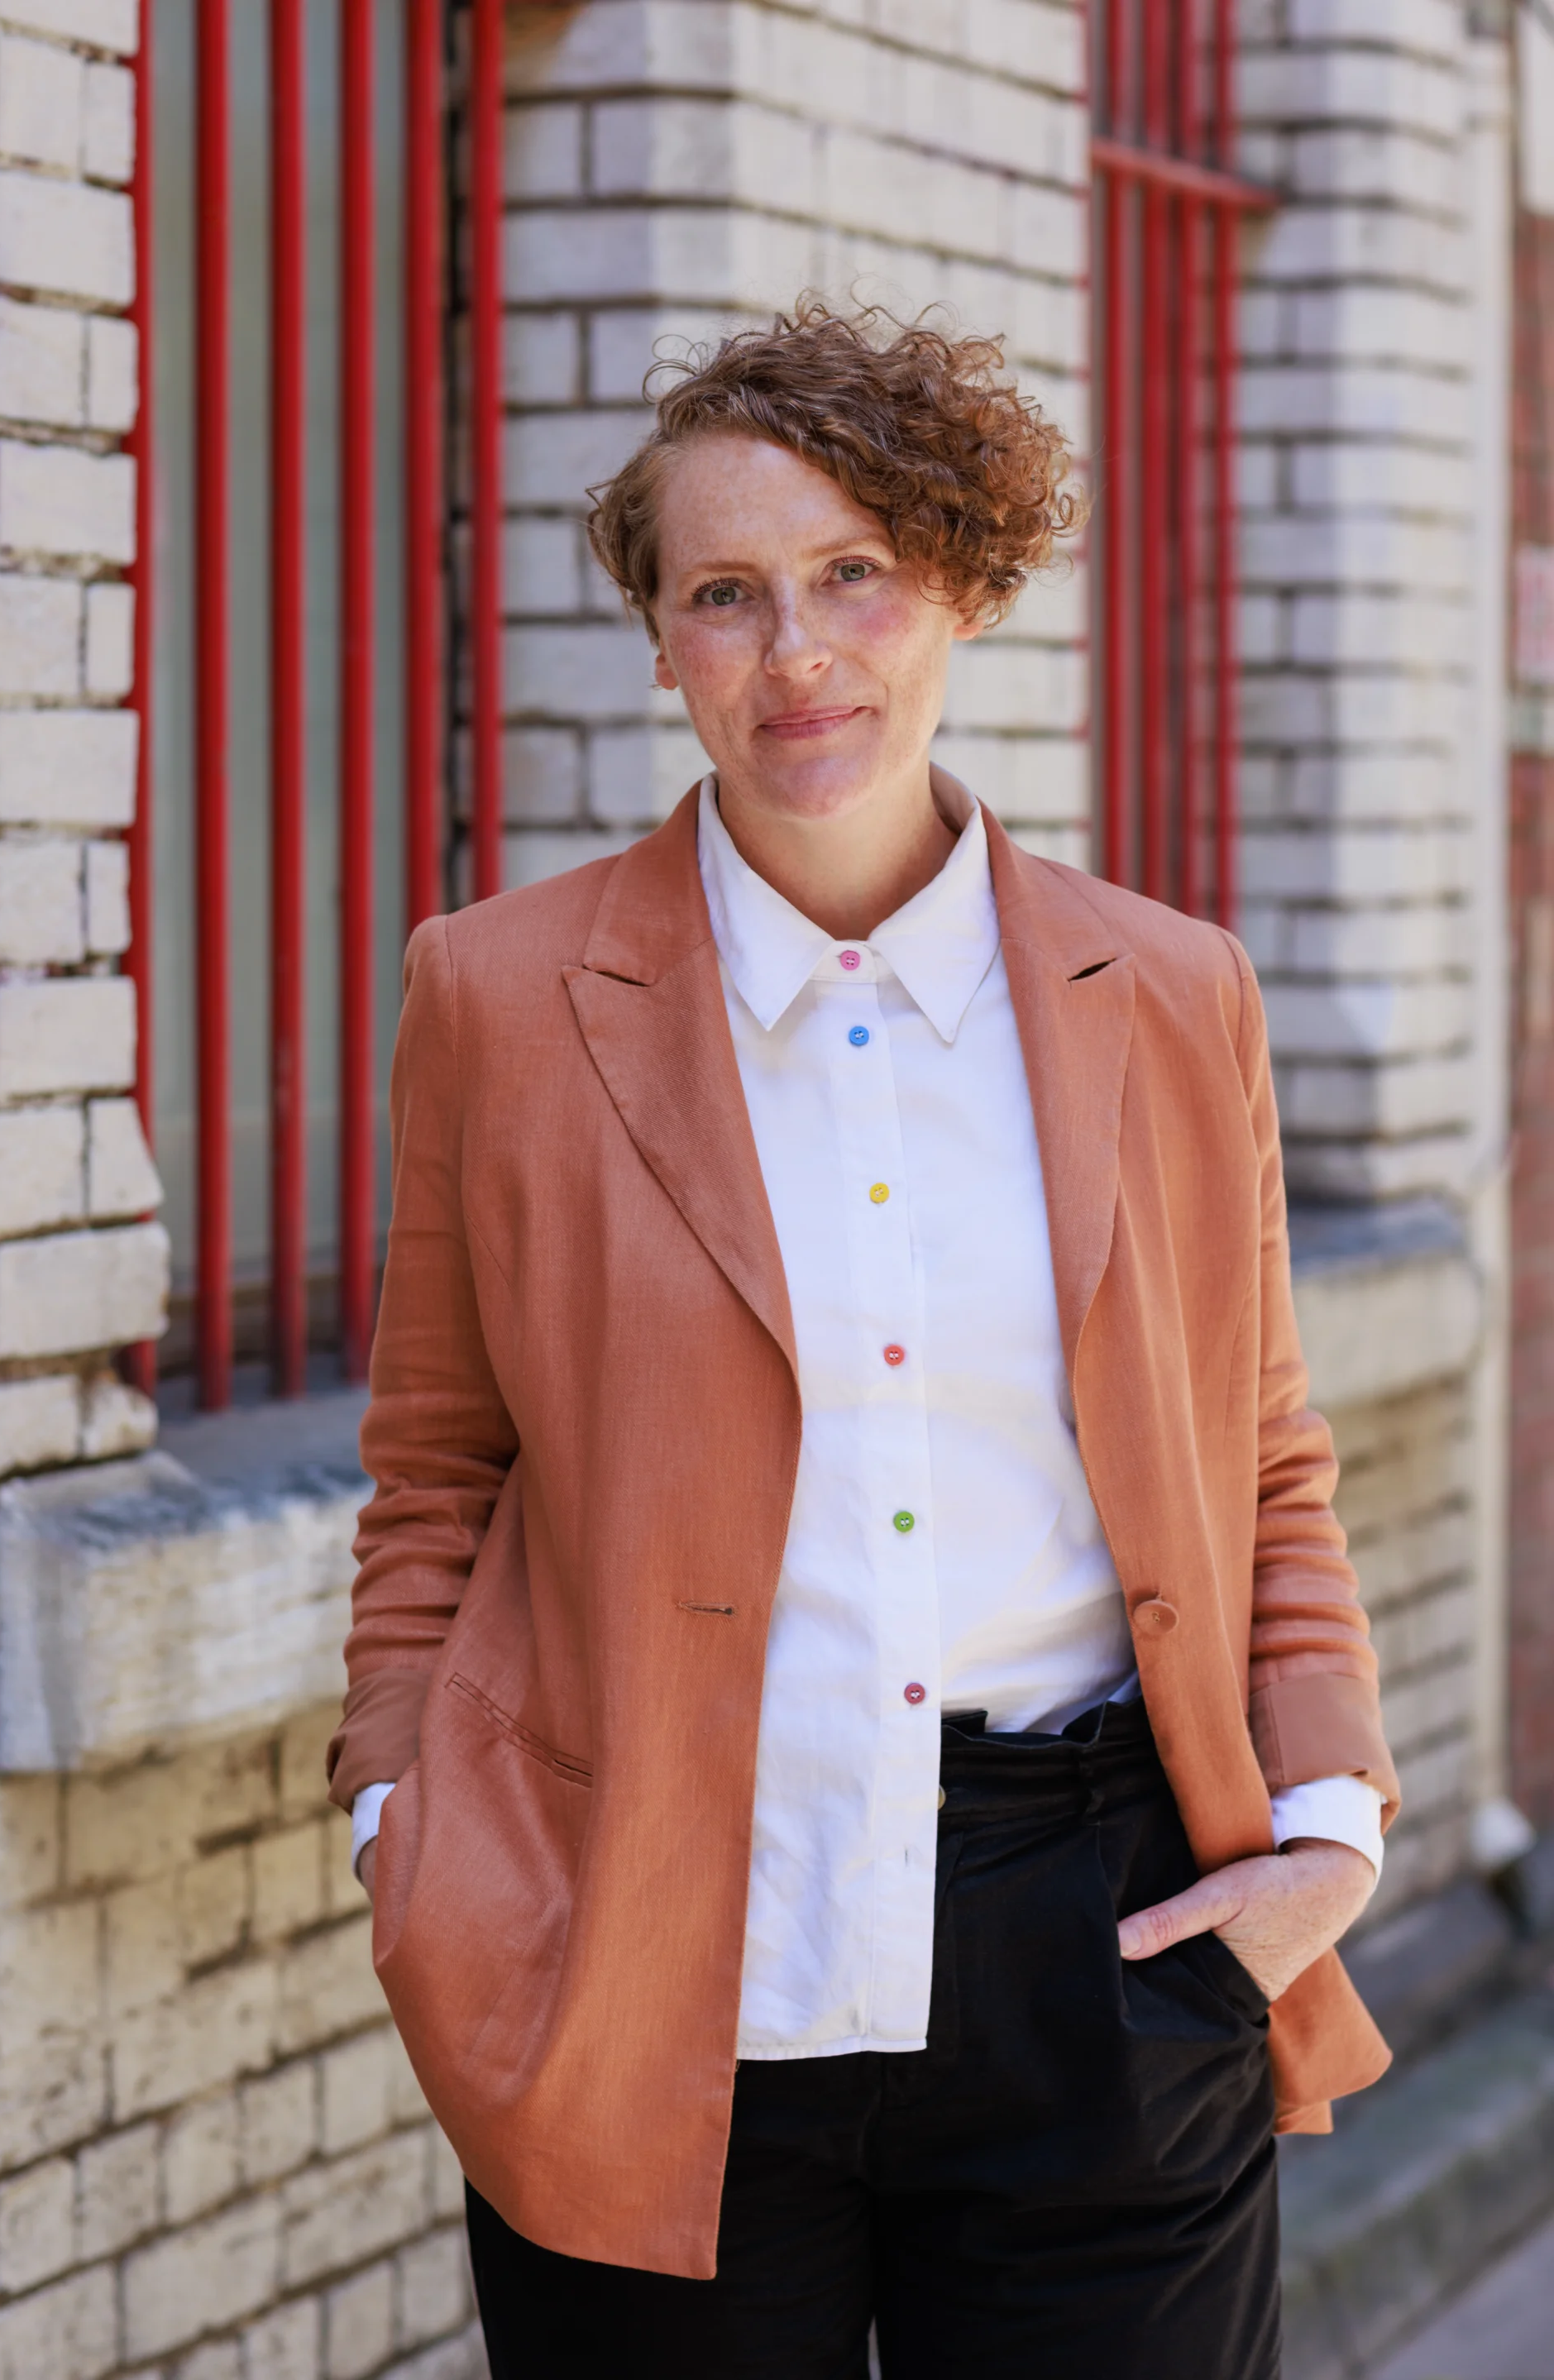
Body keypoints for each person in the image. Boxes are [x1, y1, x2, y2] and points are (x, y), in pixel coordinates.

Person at [328, 301, 1399, 2379]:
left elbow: (1263, 1446)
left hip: (1110, 1934)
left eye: (854, 574)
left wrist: (1328, 1817)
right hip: (649, 1926)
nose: (795, 651)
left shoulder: (1175, 996)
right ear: (662, 642)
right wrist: (410, 1829)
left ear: (966, 590)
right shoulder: (499, 996)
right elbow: (437, 1466)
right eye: (724, 593)